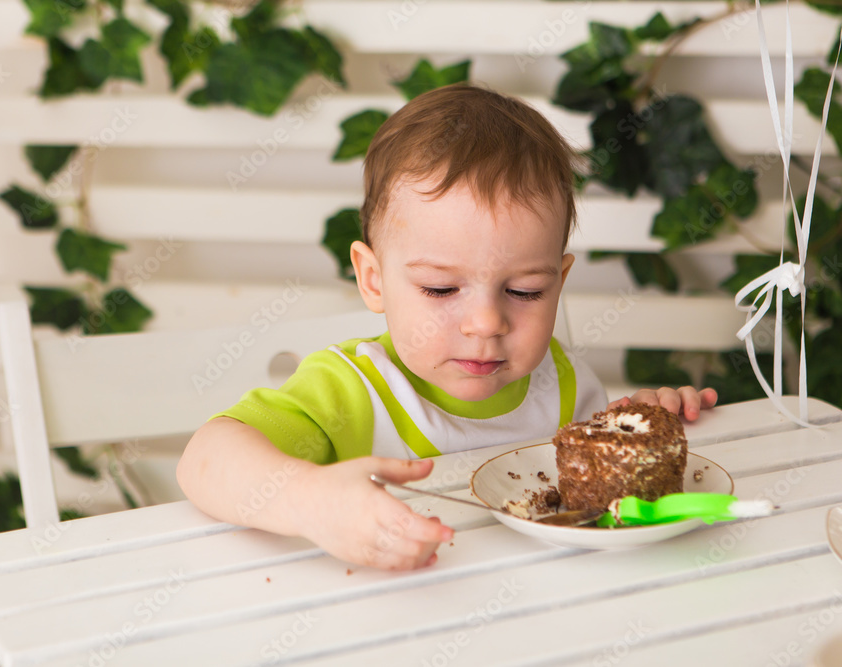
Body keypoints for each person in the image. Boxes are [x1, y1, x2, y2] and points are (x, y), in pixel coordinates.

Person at [177, 84, 718, 571]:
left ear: (559, 280)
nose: (486, 323)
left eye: (525, 291)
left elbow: (597, 506)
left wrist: (640, 429)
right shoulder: (353, 389)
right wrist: (310, 500)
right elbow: (205, 460)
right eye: (440, 289)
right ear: (373, 279)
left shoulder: (562, 382)